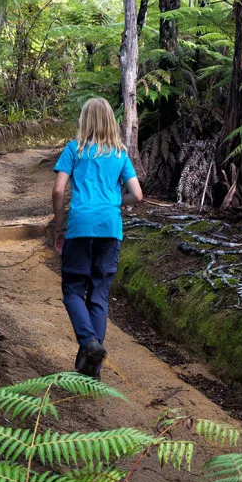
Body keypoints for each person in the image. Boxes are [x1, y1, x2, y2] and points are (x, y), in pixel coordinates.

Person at [52, 97, 143, 377]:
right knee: (99, 297)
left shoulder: (74, 150)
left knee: (73, 290)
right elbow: (137, 195)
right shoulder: (120, 154)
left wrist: (59, 227)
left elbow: (58, 191)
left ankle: (89, 343)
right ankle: (93, 366)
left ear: (85, 120)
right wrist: (116, 200)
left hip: (80, 227)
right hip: (110, 229)